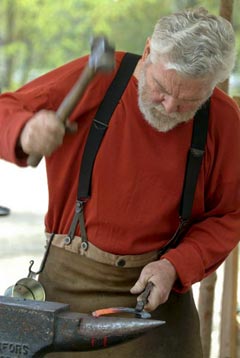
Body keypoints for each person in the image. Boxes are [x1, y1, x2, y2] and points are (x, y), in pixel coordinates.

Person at [0, 6, 239, 358]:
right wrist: (25, 131)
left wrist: (178, 264)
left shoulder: (222, 120)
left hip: (158, 302)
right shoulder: (100, 78)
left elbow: (229, 214)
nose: (171, 108)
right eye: (161, 88)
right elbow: (7, 110)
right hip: (67, 295)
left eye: (190, 99)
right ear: (147, 52)